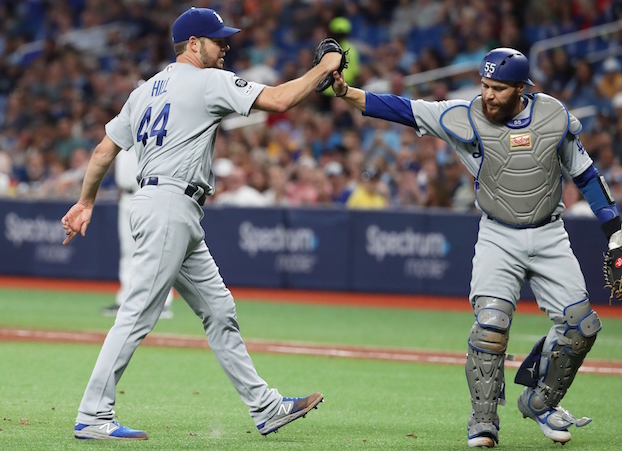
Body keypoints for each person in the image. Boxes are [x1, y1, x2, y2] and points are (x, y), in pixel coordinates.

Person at [61, 7, 342, 441]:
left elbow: (103, 151)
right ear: (194, 44)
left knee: (219, 310)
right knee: (137, 313)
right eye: (217, 39)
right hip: (169, 205)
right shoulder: (208, 80)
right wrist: (325, 66)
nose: (225, 45)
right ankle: (93, 415)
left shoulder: (145, 90)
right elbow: (281, 101)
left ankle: (266, 408)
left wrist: (85, 201)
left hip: (169, 206)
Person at [331, 47, 614, 448]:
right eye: (484, 85)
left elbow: (586, 175)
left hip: (550, 233)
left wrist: (615, 231)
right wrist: (346, 92)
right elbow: (405, 109)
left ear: (521, 88)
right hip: (498, 234)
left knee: (581, 327)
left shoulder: (552, 115)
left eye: (498, 88)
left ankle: (540, 401)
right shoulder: (464, 116)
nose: (488, 95)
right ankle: (483, 420)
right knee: (491, 326)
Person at [101, 149, 174, 319]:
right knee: (128, 252)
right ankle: (125, 300)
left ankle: (162, 303)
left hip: (149, 194)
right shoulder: (124, 126)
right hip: (126, 197)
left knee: (155, 251)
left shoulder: (152, 126)